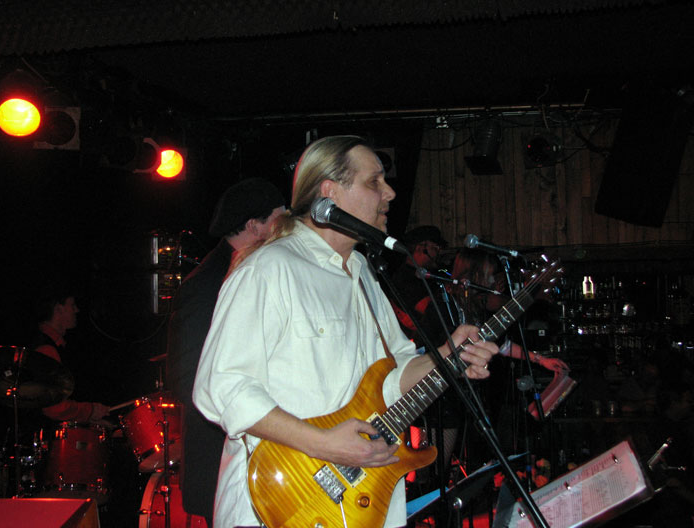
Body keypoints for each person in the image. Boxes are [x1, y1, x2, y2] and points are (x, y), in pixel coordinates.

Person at [192, 135, 499, 528]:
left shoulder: (363, 273)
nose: (390, 193)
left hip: (356, 501)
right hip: (280, 502)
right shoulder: (270, 269)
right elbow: (221, 386)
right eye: (374, 181)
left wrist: (448, 355)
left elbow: (393, 375)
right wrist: (323, 444)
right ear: (330, 192)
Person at [166, 178, 286, 527]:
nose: (290, 228)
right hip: (222, 461)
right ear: (255, 226)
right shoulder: (206, 284)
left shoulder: (255, 271)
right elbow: (188, 378)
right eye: (281, 218)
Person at [33, 283, 110, 424]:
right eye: (72, 305)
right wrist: (90, 410)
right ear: (58, 309)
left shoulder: (53, 344)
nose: (77, 310)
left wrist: (89, 419)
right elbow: (54, 408)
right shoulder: (46, 349)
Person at [389, 225, 448, 340]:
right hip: (414, 344)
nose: (437, 254)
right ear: (420, 248)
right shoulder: (406, 278)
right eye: (435, 248)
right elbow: (432, 311)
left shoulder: (428, 275)